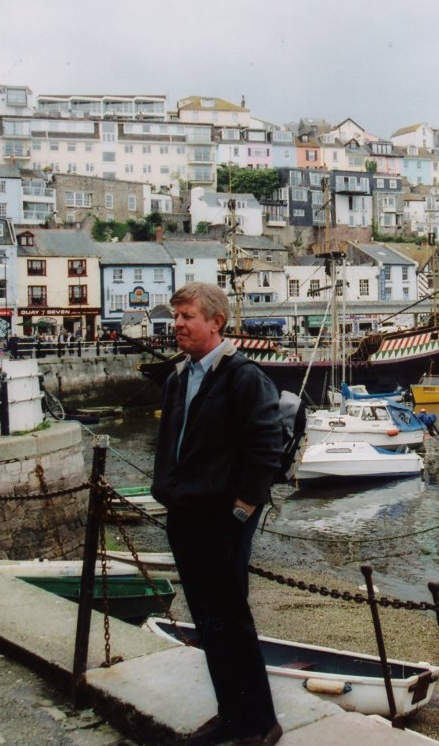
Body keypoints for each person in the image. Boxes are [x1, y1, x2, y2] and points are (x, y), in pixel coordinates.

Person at [151, 282, 284, 746]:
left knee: (231, 618)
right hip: (185, 514)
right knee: (207, 621)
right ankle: (231, 714)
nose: (178, 325)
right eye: (176, 316)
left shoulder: (244, 378)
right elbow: (170, 442)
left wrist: (243, 508)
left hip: (223, 519)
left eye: (187, 316)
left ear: (216, 322)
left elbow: (267, 445)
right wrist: (166, 488)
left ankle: (261, 722)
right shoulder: (179, 378)